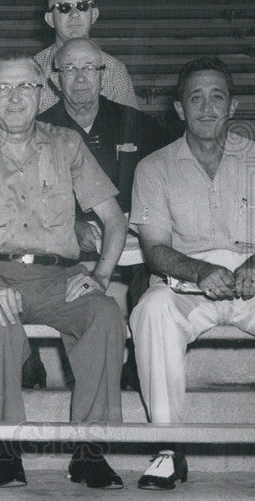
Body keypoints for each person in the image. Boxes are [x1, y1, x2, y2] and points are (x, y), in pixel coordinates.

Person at [129, 56, 255, 492]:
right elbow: (155, 249)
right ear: (179, 109)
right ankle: (168, 446)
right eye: (195, 97)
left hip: (254, 282)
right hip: (188, 283)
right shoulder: (154, 166)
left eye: (217, 96)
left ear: (232, 107)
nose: (206, 106)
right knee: (151, 310)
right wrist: (199, 269)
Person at [0, 51, 128, 490]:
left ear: (42, 93)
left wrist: (100, 276)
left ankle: (89, 451)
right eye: (3, 88)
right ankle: (6, 450)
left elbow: (115, 220)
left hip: (59, 276)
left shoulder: (66, 145)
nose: (14, 97)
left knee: (104, 315)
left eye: (24, 86)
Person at [38, 38, 173, 389]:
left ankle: (136, 370)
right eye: (70, 69)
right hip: (68, 238)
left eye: (89, 68)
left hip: (135, 234)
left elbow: (164, 185)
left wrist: (141, 224)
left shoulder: (138, 124)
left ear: (103, 75)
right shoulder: (40, 129)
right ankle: (43, 369)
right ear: (55, 79)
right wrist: (72, 224)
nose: (80, 77)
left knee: (152, 283)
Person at [34, 0, 138, 112]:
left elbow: (131, 128)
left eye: (82, 6)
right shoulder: (33, 70)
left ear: (94, 15)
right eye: (64, 7)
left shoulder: (115, 71)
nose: (74, 14)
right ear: (50, 19)